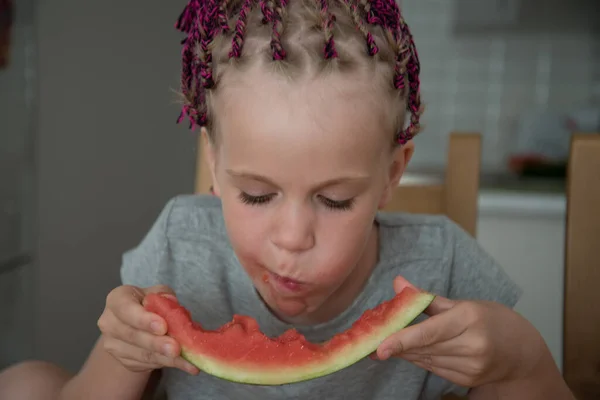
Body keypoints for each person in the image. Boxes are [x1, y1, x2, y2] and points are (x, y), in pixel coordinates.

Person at [0, 0, 576, 398]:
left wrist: (522, 359)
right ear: (216, 167)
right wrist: (122, 353)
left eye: (333, 201)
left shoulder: (442, 265)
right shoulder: (180, 244)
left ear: (392, 172)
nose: (292, 238)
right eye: (256, 195)